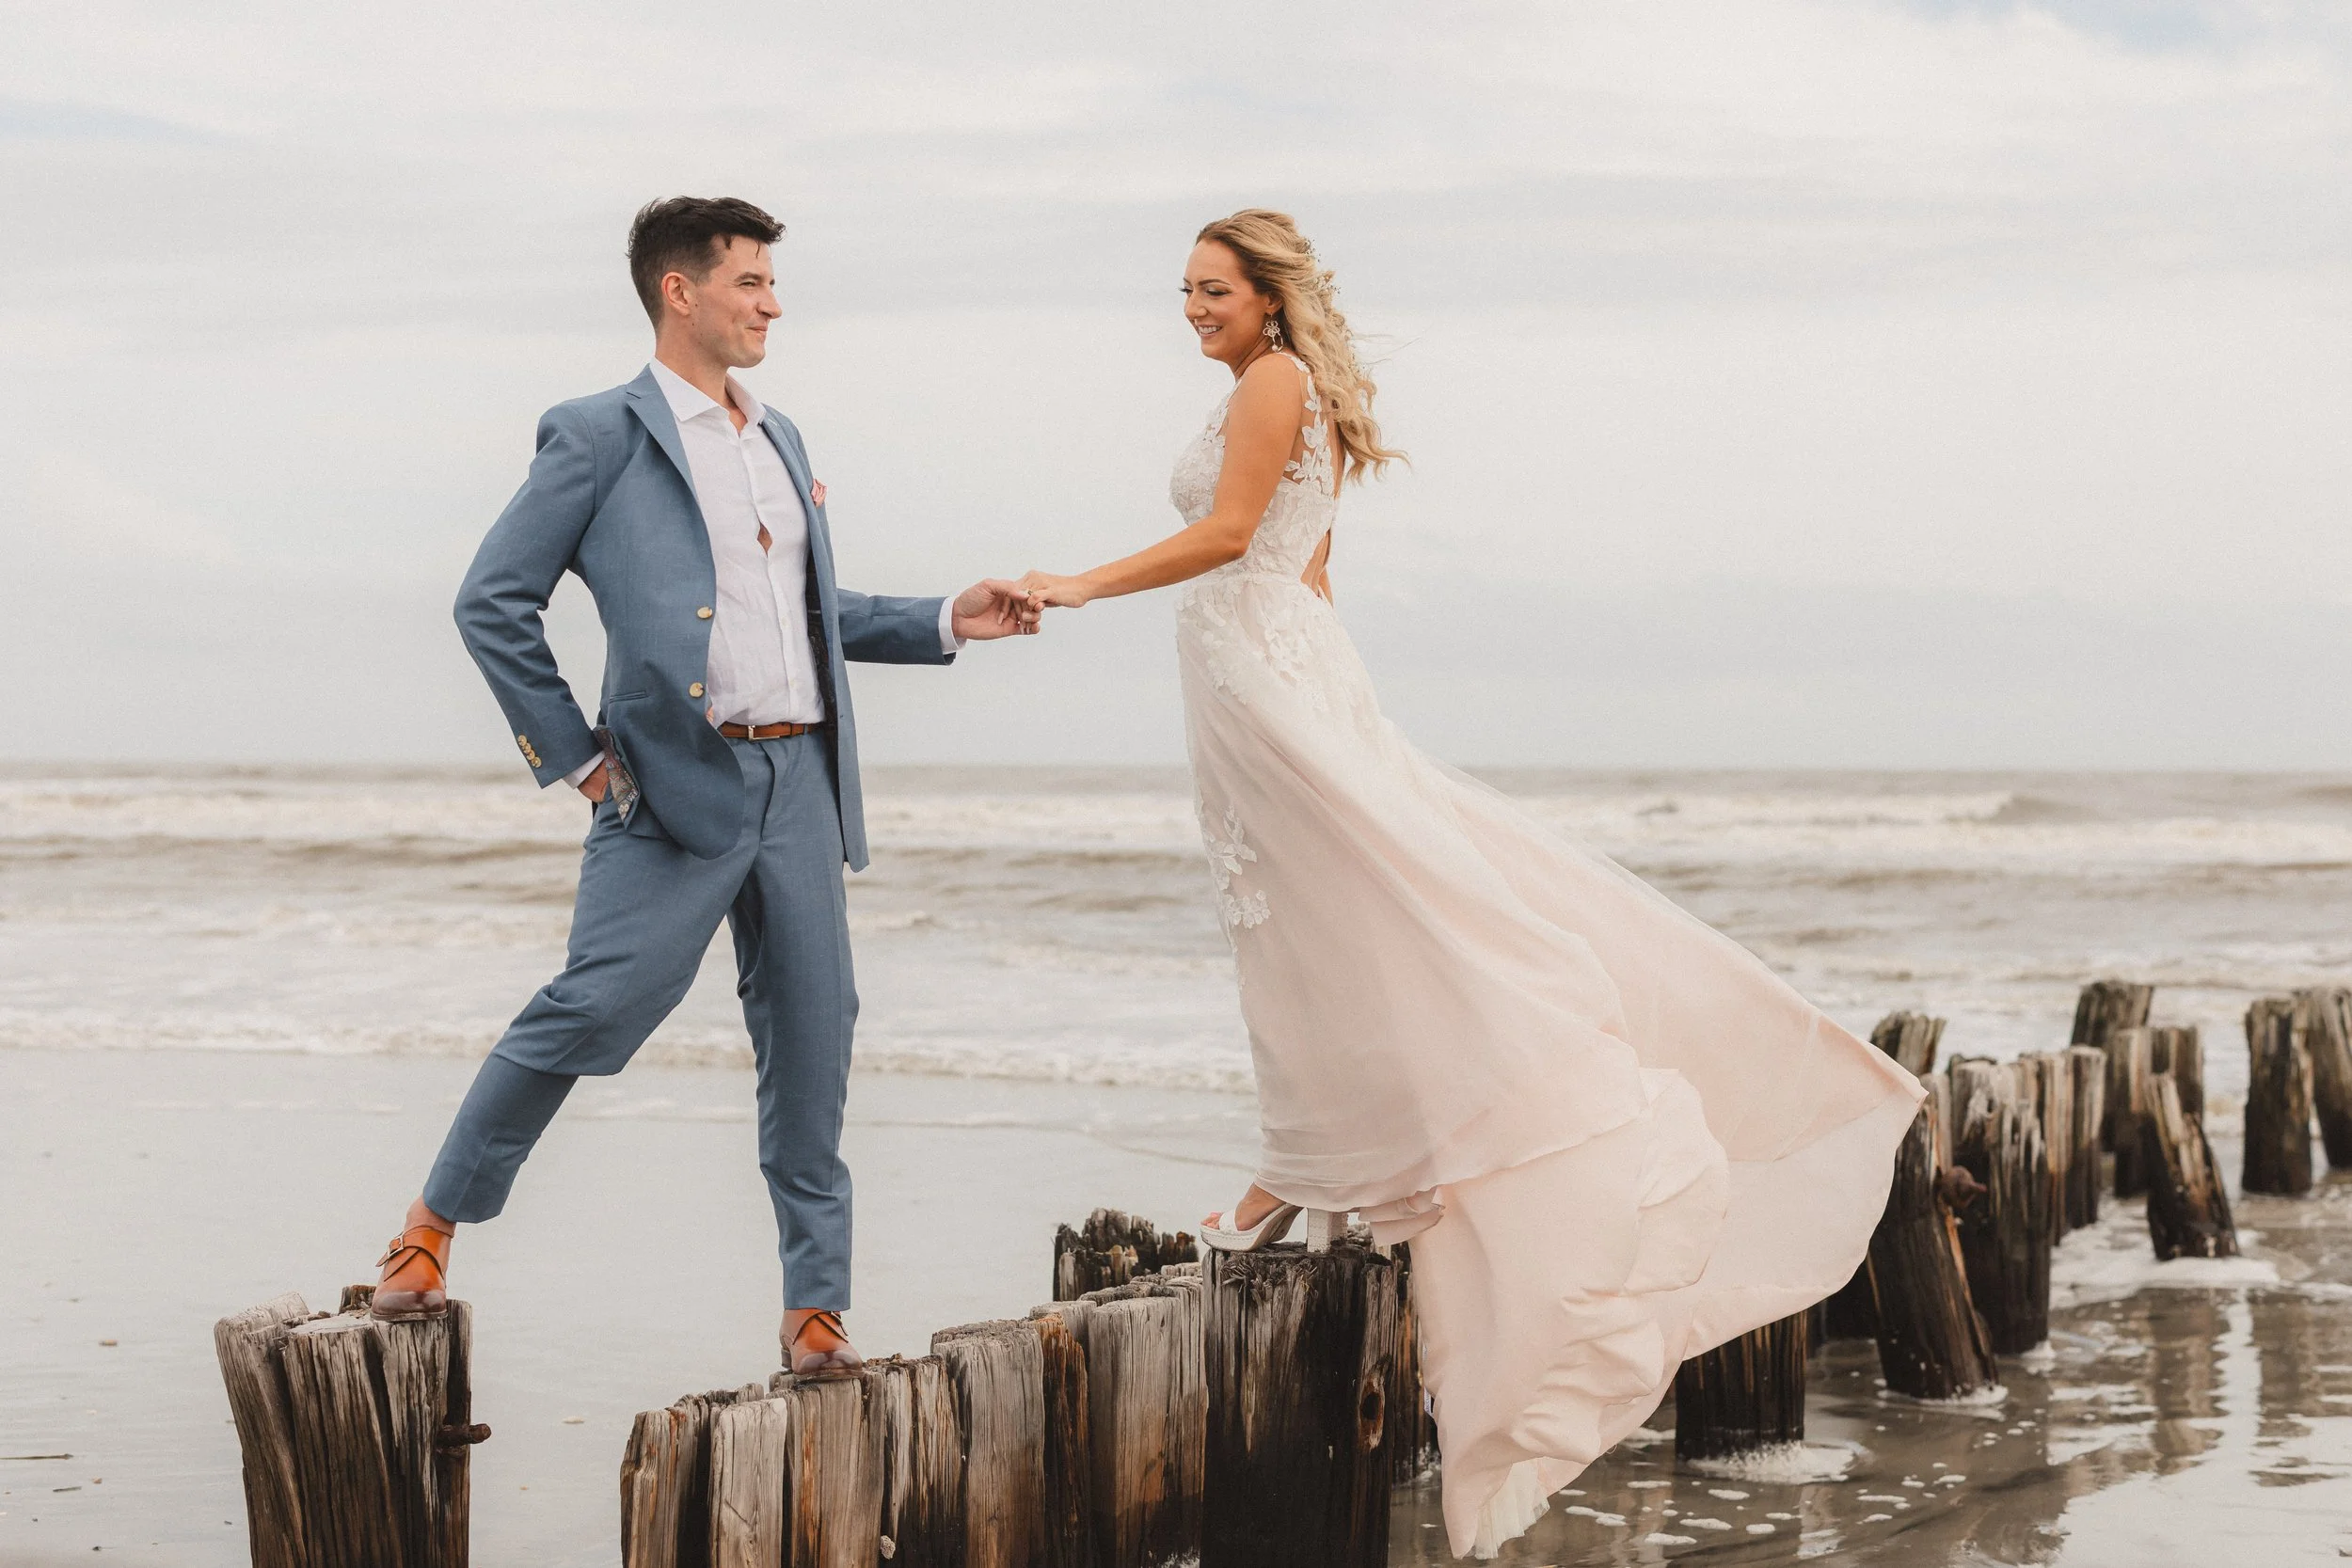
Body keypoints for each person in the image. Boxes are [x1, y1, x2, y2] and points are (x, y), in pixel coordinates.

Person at [1016, 209, 1926, 1557]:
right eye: (1186, 289)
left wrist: (1076, 584)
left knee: (1333, 922)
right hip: (1274, 670)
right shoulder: (1281, 384)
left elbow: (1231, 534)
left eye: (1215, 288)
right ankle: (1304, 1149)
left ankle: (1301, 1159)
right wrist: (1325, 692)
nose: (1193, 306)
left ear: (1272, 297)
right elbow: (1311, 562)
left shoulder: (1274, 384)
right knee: (1313, 925)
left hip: (1267, 673)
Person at [370, 197, 1041, 1377]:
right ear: (680, 291)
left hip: (803, 781)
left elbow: (802, 619)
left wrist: (945, 617)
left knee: (815, 1041)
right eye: (750, 281)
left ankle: (815, 1308)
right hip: (671, 785)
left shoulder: (781, 437)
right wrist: (578, 756)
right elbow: (491, 601)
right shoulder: (596, 434)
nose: (772, 302)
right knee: (593, 1007)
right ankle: (430, 1226)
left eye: (772, 283)